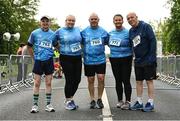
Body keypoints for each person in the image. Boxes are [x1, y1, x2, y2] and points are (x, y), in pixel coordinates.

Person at [126, 12, 157, 112]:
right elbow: (132, 45)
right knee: (138, 81)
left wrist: (151, 57)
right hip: (138, 60)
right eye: (128, 18)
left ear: (136, 17)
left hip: (148, 59)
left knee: (149, 81)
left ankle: (150, 102)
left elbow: (153, 41)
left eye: (132, 17)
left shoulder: (145, 26)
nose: (130, 19)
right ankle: (139, 102)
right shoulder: (131, 31)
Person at [27, 16, 57, 113]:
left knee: (48, 83)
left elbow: (57, 46)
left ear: (49, 23)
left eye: (46, 21)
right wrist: (33, 57)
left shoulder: (53, 34)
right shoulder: (34, 33)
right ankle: (35, 105)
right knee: (37, 83)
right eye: (43, 21)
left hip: (48, 61)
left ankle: (48, 105)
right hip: (38, 61)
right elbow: (29, 46)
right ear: (40, 23)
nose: (45, 23)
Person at [81, 13, 109, 109]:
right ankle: (92, 99)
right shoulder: (83, 32)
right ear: (89, 20)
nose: (93, 20)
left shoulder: (104, 32)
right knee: (91, 80)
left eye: (95, 19)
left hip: (100, 60)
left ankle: (100, 99)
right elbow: (79, 43)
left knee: (101, 78)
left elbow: (108, 42)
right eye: (92, 19)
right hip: (88, 61)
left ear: (98, 20)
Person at [55, 15, 82, 110]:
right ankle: (68, 100)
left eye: (73, 21)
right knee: (69, 79)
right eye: (69, 20)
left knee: (77, 80)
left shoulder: (78, 30)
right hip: (66, 57)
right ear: (65, 21)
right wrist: (59, 49)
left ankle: (70, 99)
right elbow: (54, 41)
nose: (71, 22)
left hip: (78, 57)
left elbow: (83, 41)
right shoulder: (60, 31)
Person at [108, 14, 133, 110]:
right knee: (118, 80)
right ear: (113, 21)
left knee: (126, 80)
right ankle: (120, 100)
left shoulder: (128, 32)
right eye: (116, 20)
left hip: (126, 58)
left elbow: (132, 44)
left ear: (122, 21)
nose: (118, 22)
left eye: (119, 20)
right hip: (114, 58)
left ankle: (128, 101)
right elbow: (108, 43)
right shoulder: (110, 33)